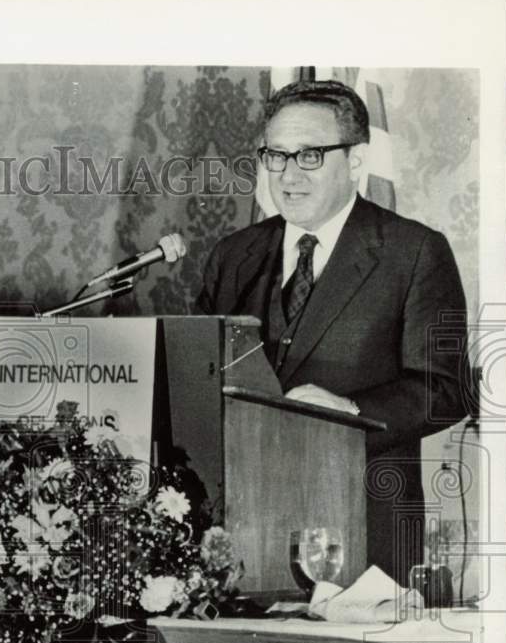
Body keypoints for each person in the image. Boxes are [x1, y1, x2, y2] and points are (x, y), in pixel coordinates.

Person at [195, 79, 470, 583]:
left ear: (357, 162)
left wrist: (353, 413)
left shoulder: (413, 252)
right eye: (275, 156)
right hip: (244, 533)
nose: (287, 175)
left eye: (310, 156)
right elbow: (199, 380)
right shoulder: (233, 256)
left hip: (364, 533)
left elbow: (447, 389)